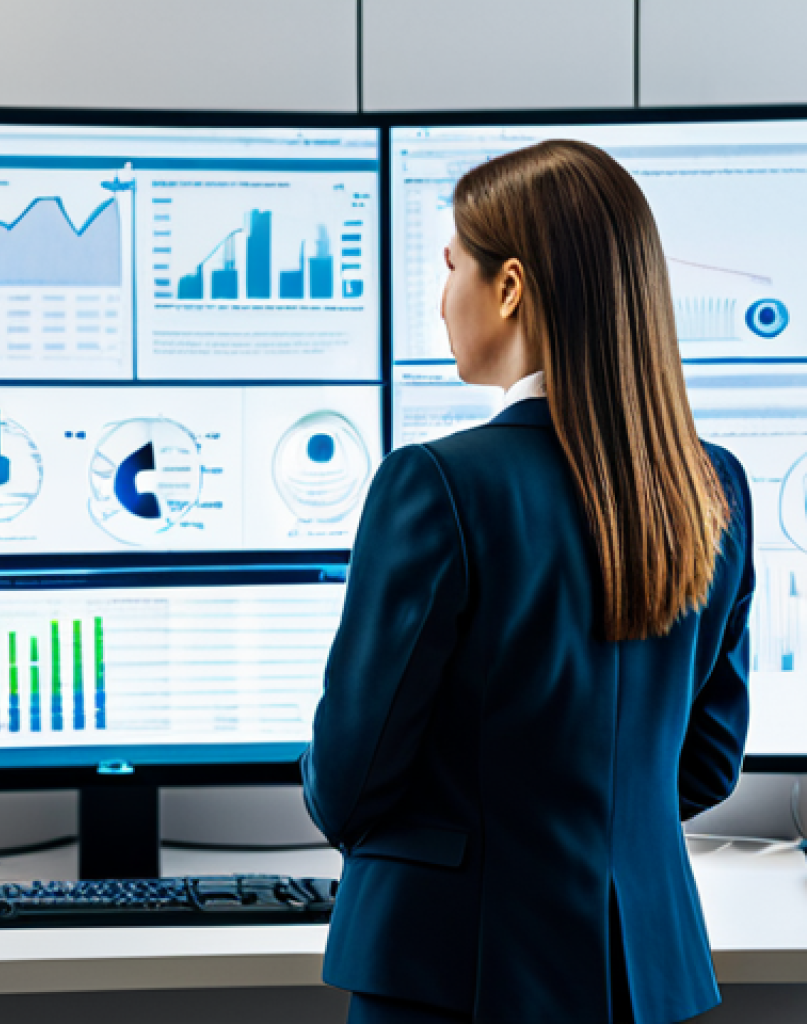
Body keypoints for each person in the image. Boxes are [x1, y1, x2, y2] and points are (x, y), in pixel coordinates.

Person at [301, 140, 755, 1024]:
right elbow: (704, 763)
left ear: (509, 287)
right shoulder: (716, 486)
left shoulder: (437, 485)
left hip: (453, 977)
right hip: (645, 977)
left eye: (451, 269)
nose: (441, 304)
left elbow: (350, 784)